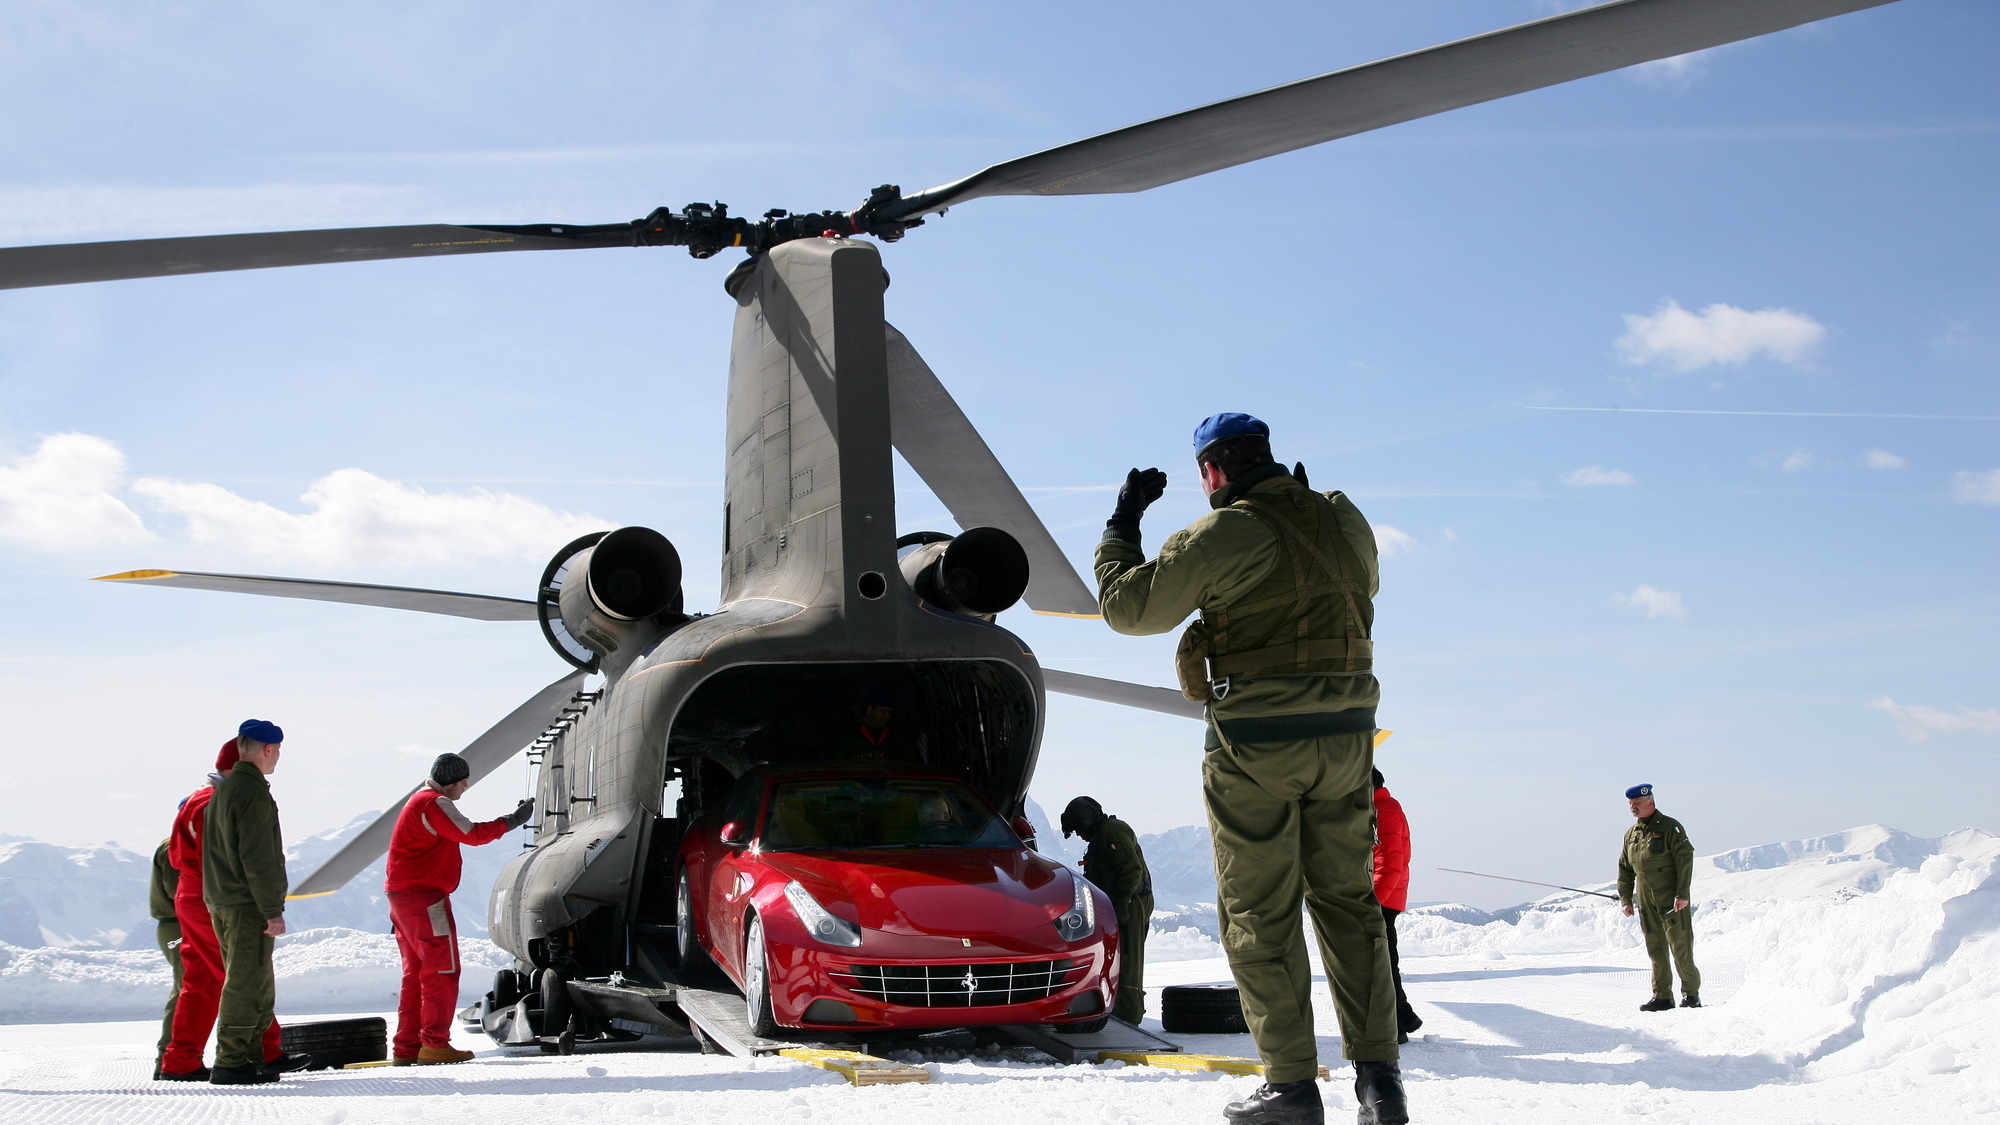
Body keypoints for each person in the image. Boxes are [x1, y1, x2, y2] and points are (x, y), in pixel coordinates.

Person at [1095, 413, 1406, 1125]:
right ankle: (1381, 1082)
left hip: (1257, 747)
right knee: (1349, 904)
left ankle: (1293, 1087)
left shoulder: (1222, 532)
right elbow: (1367, 584)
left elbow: (1127, 608)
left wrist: (1123, 521)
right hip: (1349, 740)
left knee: (1258, 915)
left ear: (1212, 472)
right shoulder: (1341, 516)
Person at [159, 731, 299, 1083]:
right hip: (217, 894)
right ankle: (261, 1052)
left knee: (202, 980)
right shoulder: (218, 800)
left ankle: (179, 1059)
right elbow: (235, 854)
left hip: (195, 895)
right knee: (242, 975)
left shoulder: (197, 799)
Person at [385, 753, 534, 1065]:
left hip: (403, 899)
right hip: (425, 898)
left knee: (416, 975)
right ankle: (435, 1044)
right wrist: (513, 820)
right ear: (452, 780)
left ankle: (407, 1047)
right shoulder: (434, 802)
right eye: (464, 780)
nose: (466, 786)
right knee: (442, 969)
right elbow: (471, 834)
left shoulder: (416, 802)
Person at [203, 719, 297, 1085]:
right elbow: (260, 858)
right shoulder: (253, 793)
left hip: (223, 901)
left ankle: (250, 1057)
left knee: (251, 979)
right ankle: (232, 1060)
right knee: (247, 981)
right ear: (268, 750)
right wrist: (272, 908)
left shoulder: (223, 791)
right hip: (247, 905)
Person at [1061, 796, 1153, 1025]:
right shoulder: (1101, 837)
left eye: (1078, 829)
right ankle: (1118, 1011)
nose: (1080, 835)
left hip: (1130, 903)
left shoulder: (1113, 831)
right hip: (1117, 905)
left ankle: (1129, 1016)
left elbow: (1132, 870)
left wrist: (1122, 901)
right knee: (1115, 959)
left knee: (1129, 960)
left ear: (1085, 819)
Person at [1617, 783, 1701, 1011]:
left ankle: (1691, 994)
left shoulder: (1670, 828)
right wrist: (1626, 899)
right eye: (1630, 804)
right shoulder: (1631, 835)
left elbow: (1685, 860)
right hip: (1646, 900)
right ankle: (1662, 996)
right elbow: (1625, 868)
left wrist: (1682, 893)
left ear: (1650, 803)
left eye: (1637, 804)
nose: (1632, 808)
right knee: (1656, 949)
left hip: (1671, 899)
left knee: (1680, 947)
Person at [1370, 769, 1421, 1043]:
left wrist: (1373, 903)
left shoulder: (1383, 810)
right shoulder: (1381, 807)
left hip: (1383, 900)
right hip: (1386, 897)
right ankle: (1402, 1019)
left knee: (1383, 964)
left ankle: (1398, 1023)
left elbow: (1390, 861)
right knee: (1384, 962)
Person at [148, 837, 182, 1079]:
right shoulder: (176, 845)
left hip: (180, 922)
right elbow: (178, 890)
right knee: (186, 988)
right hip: (179, 924)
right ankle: (168, 1058)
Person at [829, 687, 922, 763]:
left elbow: (911, 761)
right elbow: (837, 763)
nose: (888, 716)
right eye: (883, 711)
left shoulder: (895, 735)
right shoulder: (847, 734)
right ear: (870, 710)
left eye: (890, 712)